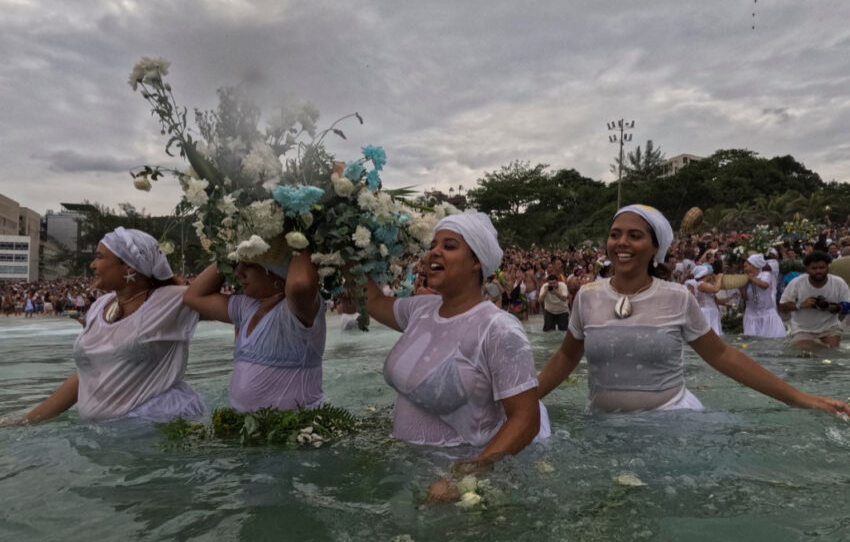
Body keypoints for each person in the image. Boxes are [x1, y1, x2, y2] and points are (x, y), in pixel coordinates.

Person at [538, 205, 850, 417]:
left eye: (635, 235)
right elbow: (566, 357)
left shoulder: (677, 298)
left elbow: (723, 356)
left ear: (654, 248)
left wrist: (800, 398)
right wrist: (520, 401)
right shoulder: (587, 297)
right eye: (615, 234)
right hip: (602, 425)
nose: (622, 242)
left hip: (671, 422)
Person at [364, 211, 549, 502]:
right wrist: (343, 254)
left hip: (458, 480)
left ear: (477, 262)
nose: (434, 252)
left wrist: (465, 476)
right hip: (404, 466)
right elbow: (372, 301)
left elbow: (526, 418)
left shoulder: (498, 328)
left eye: (449, 246)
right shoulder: (420, 309)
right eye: (434, 245)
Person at [1, 228, 205, 426]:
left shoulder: (170, 300)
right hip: (102, 435)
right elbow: (86, 374)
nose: (93, 264)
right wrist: (25, 421)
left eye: (99, 257)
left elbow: (230, 305)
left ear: (129, 266)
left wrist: (231, 247)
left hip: (152, 425)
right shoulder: (101, 304)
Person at [183, 250, 325, 413]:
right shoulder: (246, 307)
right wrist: (231, 252)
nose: (238, 272)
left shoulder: (299, 310)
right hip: (246, 427)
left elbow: (301, 284)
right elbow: (193, 297)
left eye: (249, 265)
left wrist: (299, 239)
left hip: (300, 428)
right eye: (238, 264)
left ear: (276, 277)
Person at [779, 251, 850, 350]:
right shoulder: (797, 283)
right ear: (807, 269)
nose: (818, 271)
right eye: (814, 268)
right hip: (802, 329)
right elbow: (782, 307)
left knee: (832, 352)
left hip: (830, 327)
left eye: (822, 267)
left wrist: (830, 307)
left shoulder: (838, 283)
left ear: (828, 268)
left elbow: (847, 307)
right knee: (805, 353)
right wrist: (802, 304)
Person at [741, 253, 786, 338]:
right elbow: (745, 298)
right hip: (751, 315)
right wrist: (742, 287)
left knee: (770, 340)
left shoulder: (765, 274)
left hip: (766, 313)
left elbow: (765, 285)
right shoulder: (745, 278)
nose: (744, 268)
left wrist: (751, 279)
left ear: (754, 266)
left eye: (746, 266)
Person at [686, 265, 723, 336]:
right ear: (705, 274)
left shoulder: (705, 284)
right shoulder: (701, 284)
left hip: (711, 311)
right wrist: (719, 278)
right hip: (706, 312)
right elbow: (716, 289)